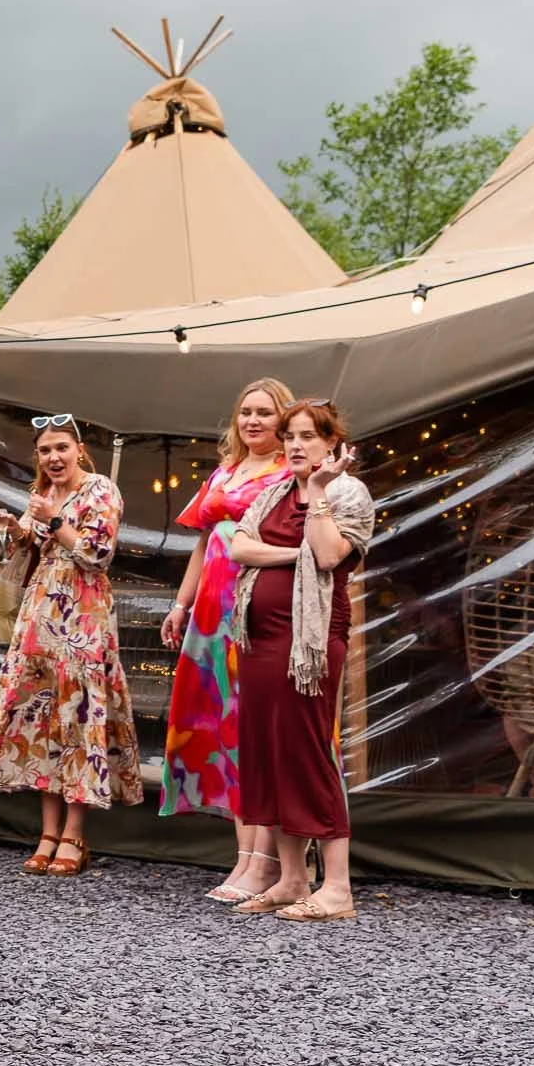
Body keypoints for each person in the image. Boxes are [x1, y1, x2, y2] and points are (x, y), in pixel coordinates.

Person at [0, 416, 142, 876]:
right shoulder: (42, 493)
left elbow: (97, 554)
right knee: (43, 717)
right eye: (45, 451)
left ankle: (75, 834)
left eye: (61, 448)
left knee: (78, 717)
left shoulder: (101, 489)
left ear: (80, 449)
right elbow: (32, 548)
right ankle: (47, 831)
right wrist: (16, 527)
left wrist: (55, 520)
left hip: (83, 616)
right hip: (40, 612)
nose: (53, 458)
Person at [228, 399, 376, 922]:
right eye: (290, 435)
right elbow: (239, 549)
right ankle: (292, 879)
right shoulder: (271, 493)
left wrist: (315, 494)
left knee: (308, 751)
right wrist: (295, 556)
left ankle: (337, 887)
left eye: (309, 436)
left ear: (332, 444)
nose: (295, 444)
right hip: (260, 641)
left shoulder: (345, 492)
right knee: (269, 753)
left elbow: (331, 553)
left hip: (307, 643)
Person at [158, 378, 295, 903]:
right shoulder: (225, 471)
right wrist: (180, 604)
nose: (253, 421)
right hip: (210, 614)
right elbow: (202, 542)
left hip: (255, 609)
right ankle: (242, 858)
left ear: (282, 420)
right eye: (245, 413)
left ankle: (265, 862)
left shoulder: (289, 473)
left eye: (264, 412)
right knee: (221, 734)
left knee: (254, 731)